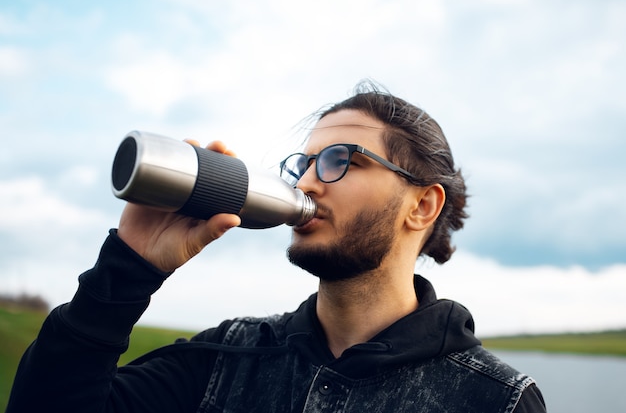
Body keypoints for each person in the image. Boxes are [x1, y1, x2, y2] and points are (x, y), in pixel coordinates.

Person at [7, 82, 546, 413]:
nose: (306, 183)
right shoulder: (225, 358)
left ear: (423, 206)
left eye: (340, 160)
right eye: (303, 164)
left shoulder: (496, 400)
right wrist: (130, 264)